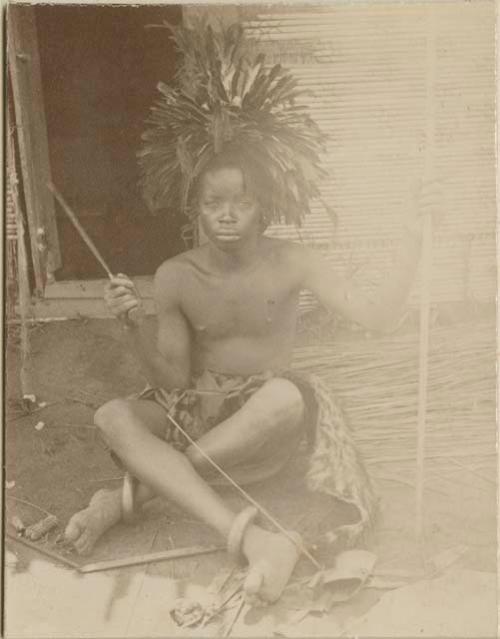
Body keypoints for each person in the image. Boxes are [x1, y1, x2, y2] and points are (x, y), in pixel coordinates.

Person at [64, 150, 437, 604]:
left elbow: (378, 318)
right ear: (196, 210)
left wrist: (412, 242)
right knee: (111, 416)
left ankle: (139, 491)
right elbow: (173, 381)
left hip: (261, 422)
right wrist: (132, 327)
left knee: (288, 398)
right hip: (196, 410)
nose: (226, 215)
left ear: (263, 206)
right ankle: (254, 541)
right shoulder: (175, 276)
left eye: (242, 202)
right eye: (212, 203)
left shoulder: (293, 262)